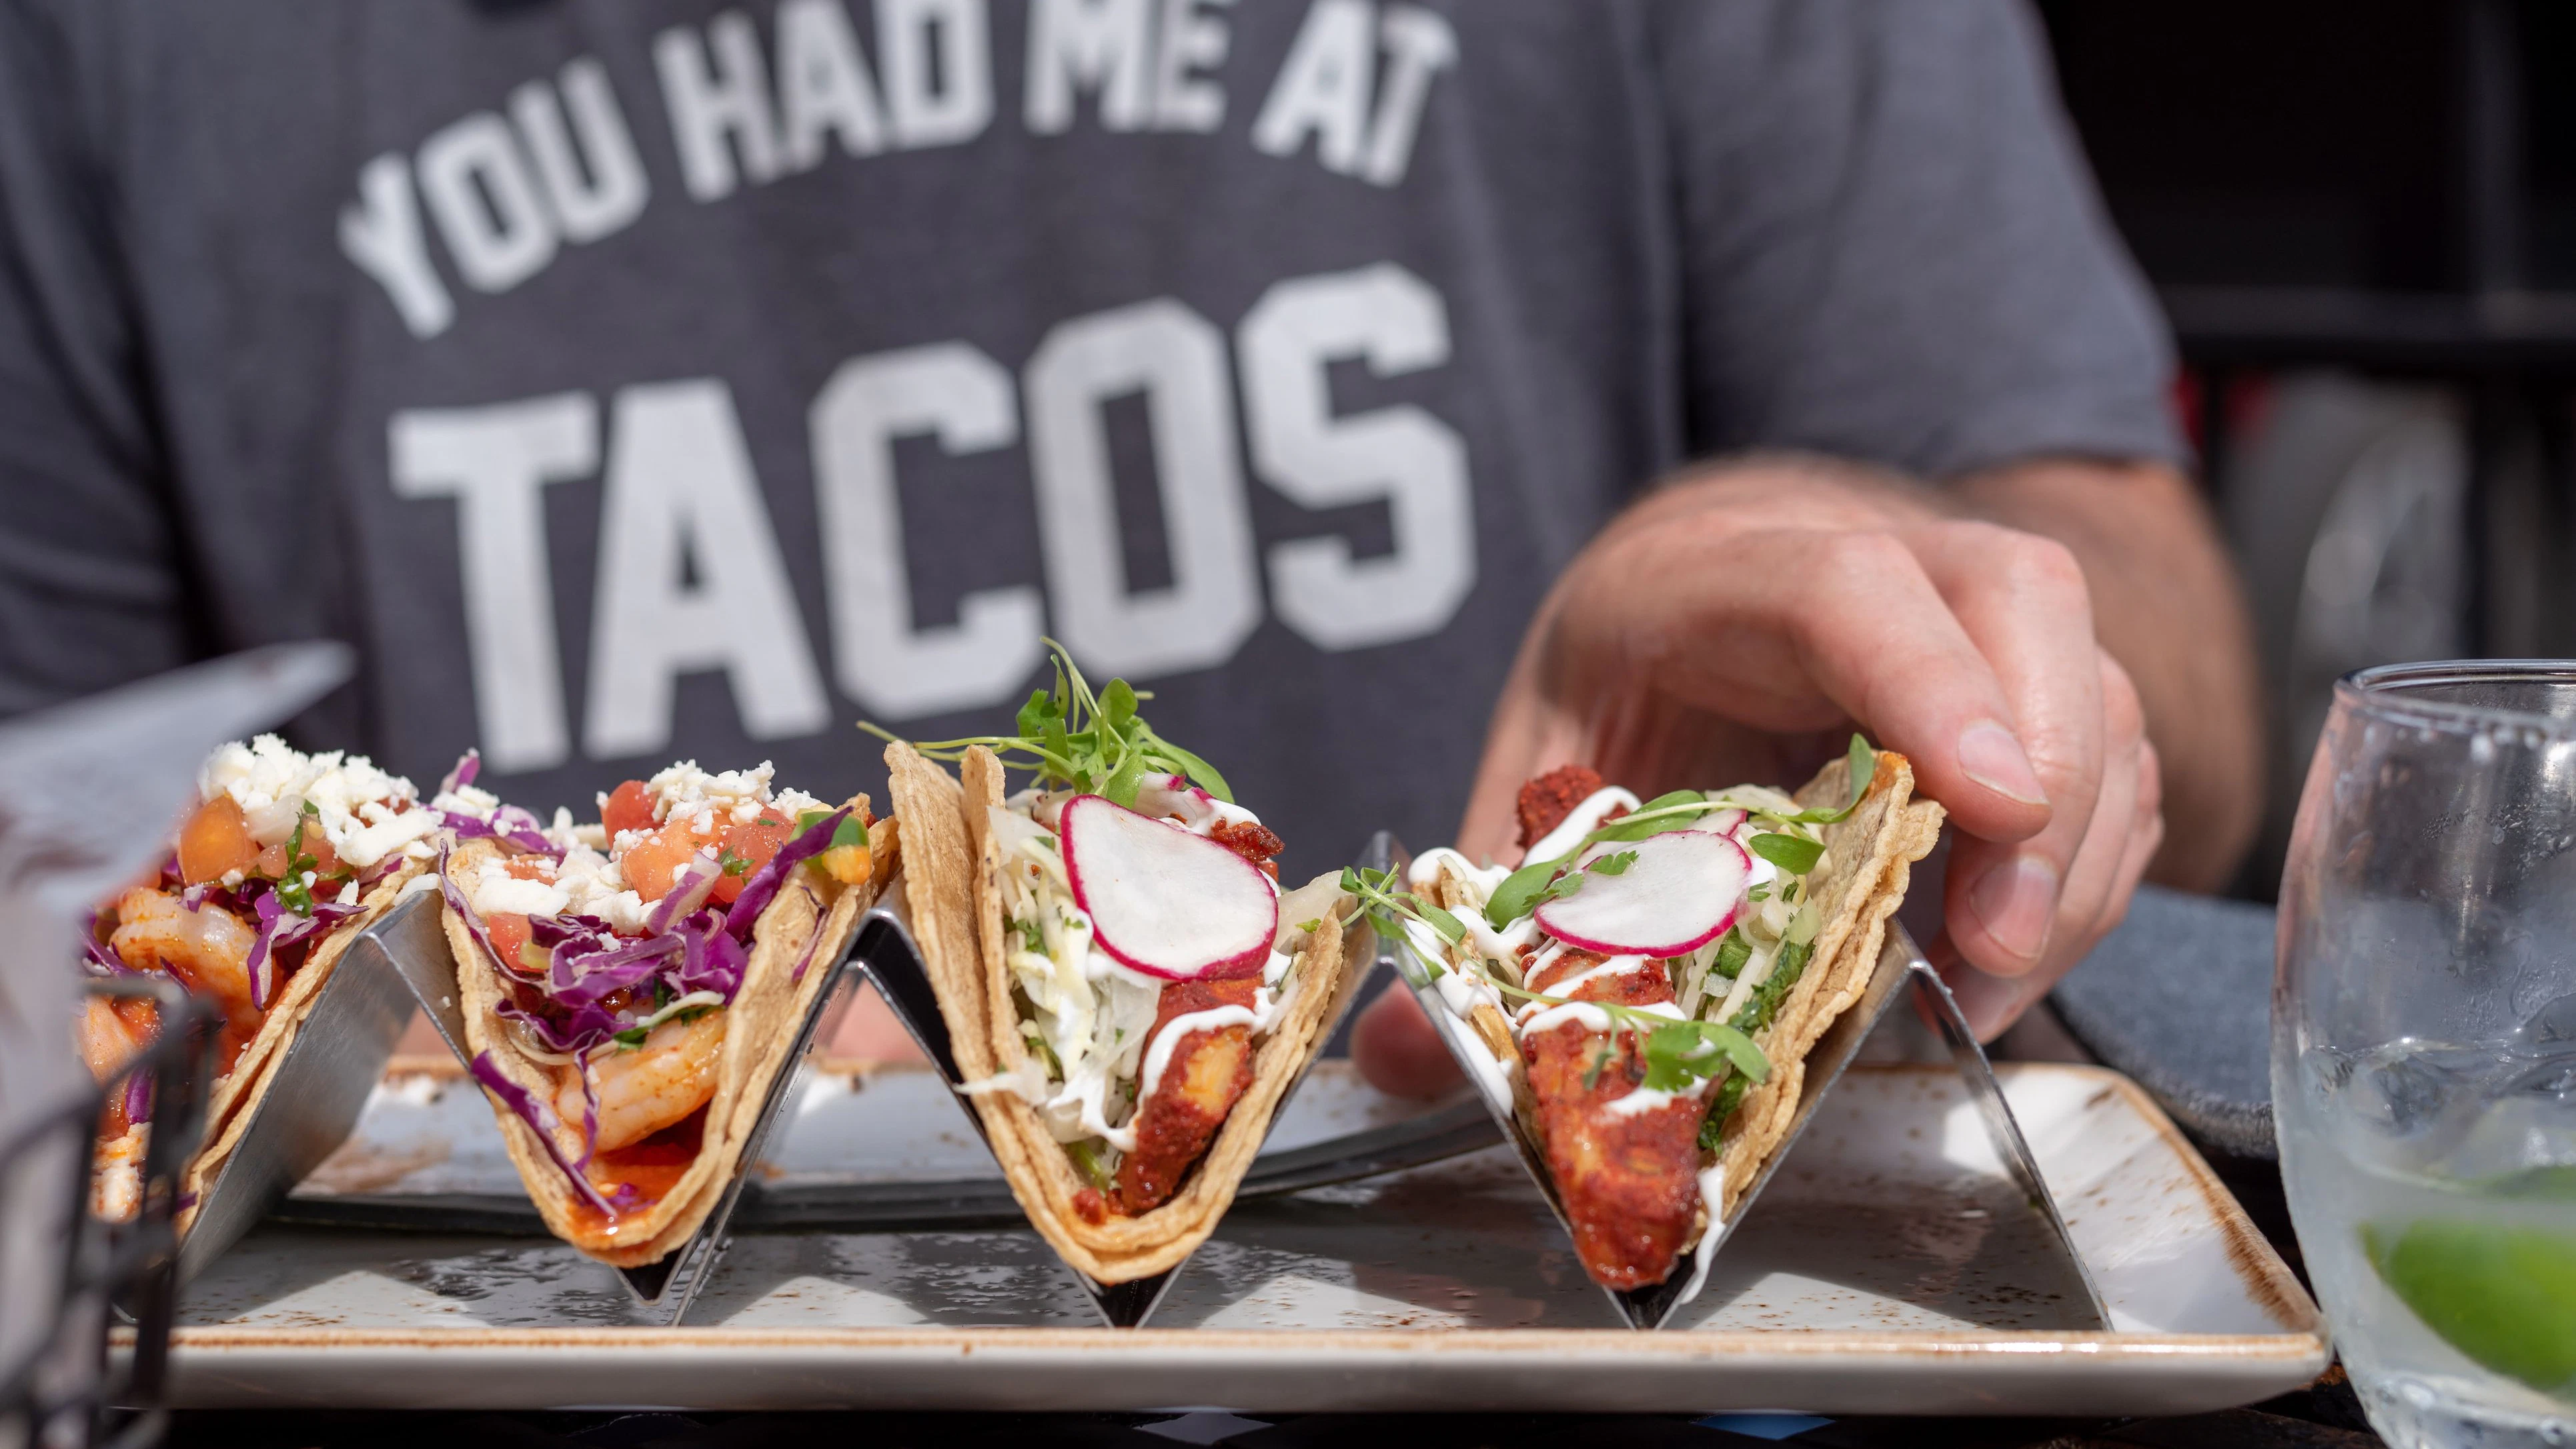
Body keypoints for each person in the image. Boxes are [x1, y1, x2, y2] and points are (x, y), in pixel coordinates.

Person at [0, 1, 2257, 1073]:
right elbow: (45, 889)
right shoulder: (126, 56)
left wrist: (1912, 652)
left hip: (1525, 1326)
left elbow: (2140, 597)